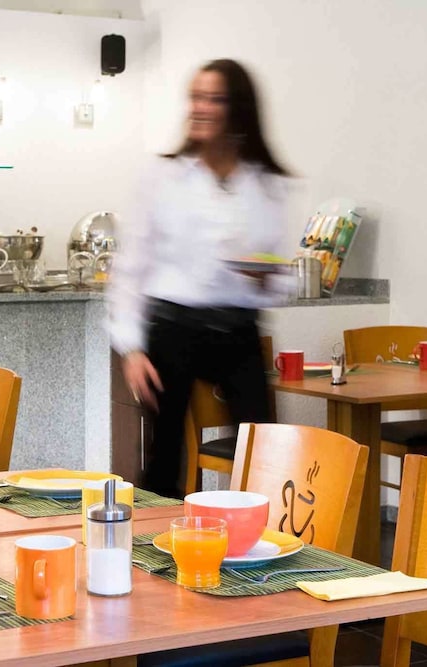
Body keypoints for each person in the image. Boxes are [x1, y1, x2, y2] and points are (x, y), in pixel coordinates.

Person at [108, 58, 293, 499]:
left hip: (238, 329)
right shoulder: (164, 177)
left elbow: (278, 273)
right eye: (195, 97)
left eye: (213, 99)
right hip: (172, 328)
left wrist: (264, 277)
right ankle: (156, 540)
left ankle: (257, 537)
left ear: (238, 109)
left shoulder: (265, 183)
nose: (200, 108)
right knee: (163, 460)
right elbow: (131, 268)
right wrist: (131, 348)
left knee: (262, 451)